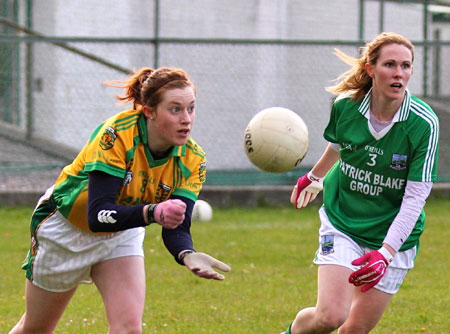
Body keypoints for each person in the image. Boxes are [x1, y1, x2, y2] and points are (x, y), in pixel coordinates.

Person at [10, 67, 231, 334]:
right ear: (149, 111)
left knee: (128, 329)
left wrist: (187, 253)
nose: (187, 119)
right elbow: (98, 214)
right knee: (35, 329)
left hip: (121, 233)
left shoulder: (193, 160)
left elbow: (176, 226)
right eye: (175, 110)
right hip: (65, 229)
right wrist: (152, 212)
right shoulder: (117, 134)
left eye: (191, 109)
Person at [282, 32, 439, 334]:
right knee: (330, 317)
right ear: (370, 68)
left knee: (353, 330)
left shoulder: (424, 124)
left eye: (406, 66)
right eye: (390, 64)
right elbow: (339, 145)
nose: (399, 73)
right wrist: (314, 177)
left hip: (393, 238)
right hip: (344, 222)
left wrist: (385, 253)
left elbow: (414, 199)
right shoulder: (346, 106)